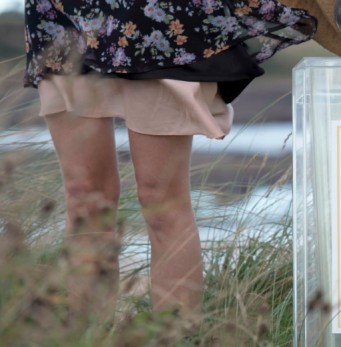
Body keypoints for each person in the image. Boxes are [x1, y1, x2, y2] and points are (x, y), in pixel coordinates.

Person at [24, 0, 316, 321]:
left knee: (161, 200)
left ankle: (175, 340)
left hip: (153, 18)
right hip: (64, 16)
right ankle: (85, 342)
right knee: (85, 198)